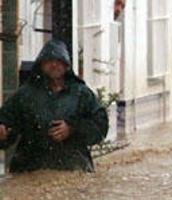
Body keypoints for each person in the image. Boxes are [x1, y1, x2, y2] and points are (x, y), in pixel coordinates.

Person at [0, 39, 109, 173]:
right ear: (41, 64)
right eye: (49, 60)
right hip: (30, 167)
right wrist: (3, 133)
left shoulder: (81, 93)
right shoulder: (25, 94)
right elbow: (7, 123)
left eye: (59, 61)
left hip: (73, 166)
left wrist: (72, 129)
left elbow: (100, 125)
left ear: (66, 65)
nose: (54, 65)